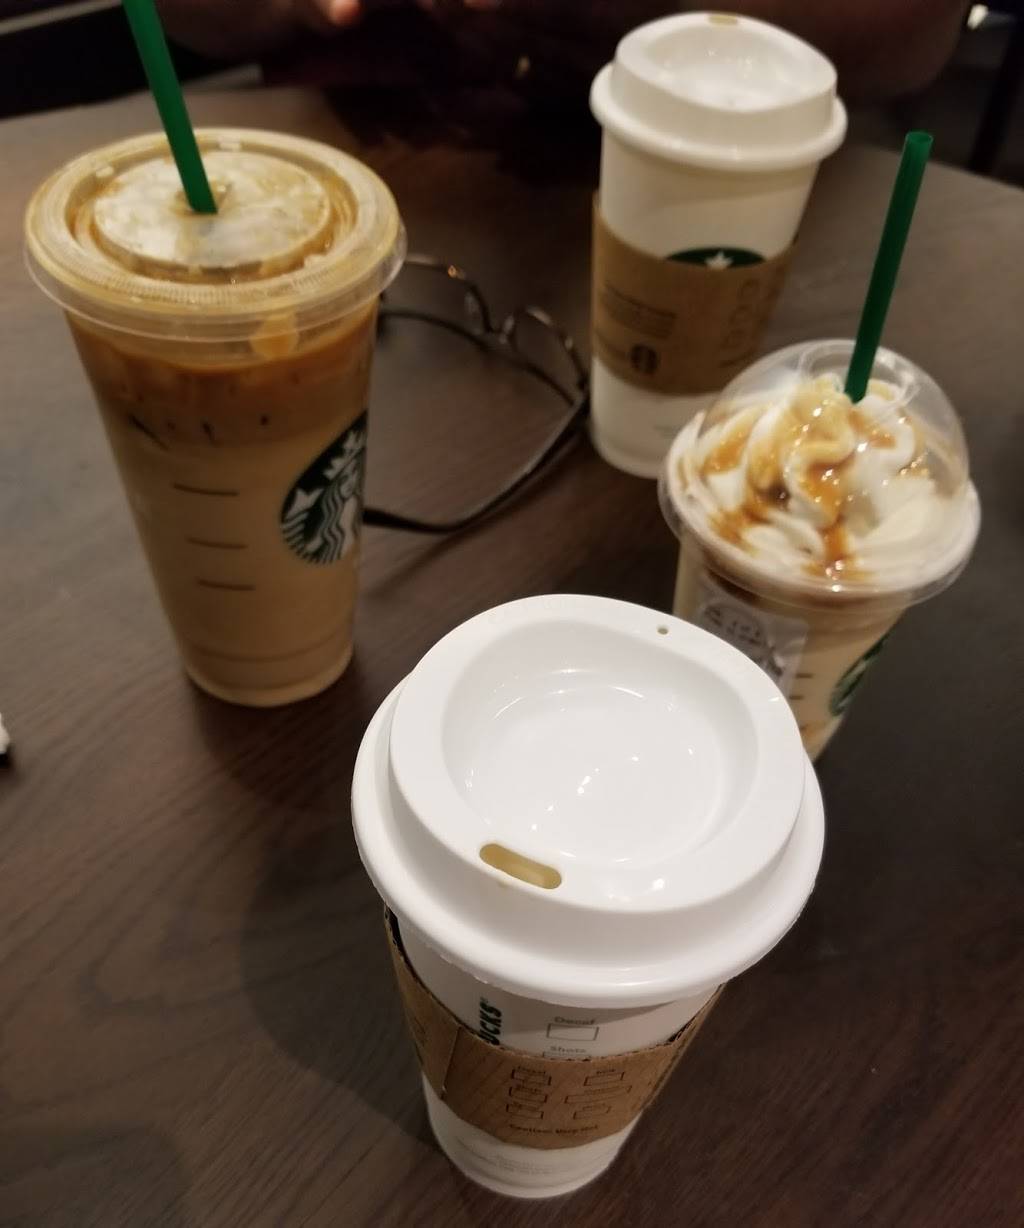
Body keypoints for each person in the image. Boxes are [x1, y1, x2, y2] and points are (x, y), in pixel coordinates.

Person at [159, 0, 970, 102]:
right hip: (350, 163)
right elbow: (188, 18)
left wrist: (665, 20)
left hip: (743, 195)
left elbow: (917, 36)